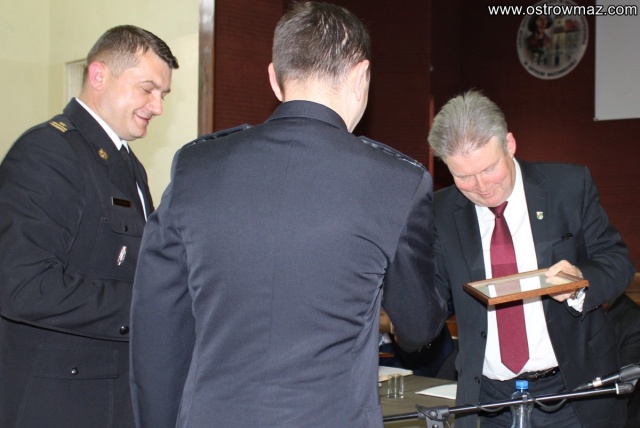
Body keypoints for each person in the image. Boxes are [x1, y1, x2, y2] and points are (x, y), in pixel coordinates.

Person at [129, 3, 447, 427]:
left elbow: (158, 325)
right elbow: (418, 328)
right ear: (361, 76)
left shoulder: (196, 168)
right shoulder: (398, 182)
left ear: (274, 78)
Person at [0, 25, 178, 428]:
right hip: (60, 403)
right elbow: (23, 287)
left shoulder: (127, 163)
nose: (157, 107)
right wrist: (148, 305)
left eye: (163, 95)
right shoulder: (47, 152)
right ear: (99, 75)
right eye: (147, 89)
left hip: (112, 397)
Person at [428, 90, 635, 428]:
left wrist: (579, 282)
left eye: (489, 169)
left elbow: (617, 262)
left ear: (509, 144)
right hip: (489, 399)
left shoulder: (568, 187)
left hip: (573, 390)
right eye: (463, 176)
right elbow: (434, 298)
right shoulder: (441, 209)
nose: (481, 186)